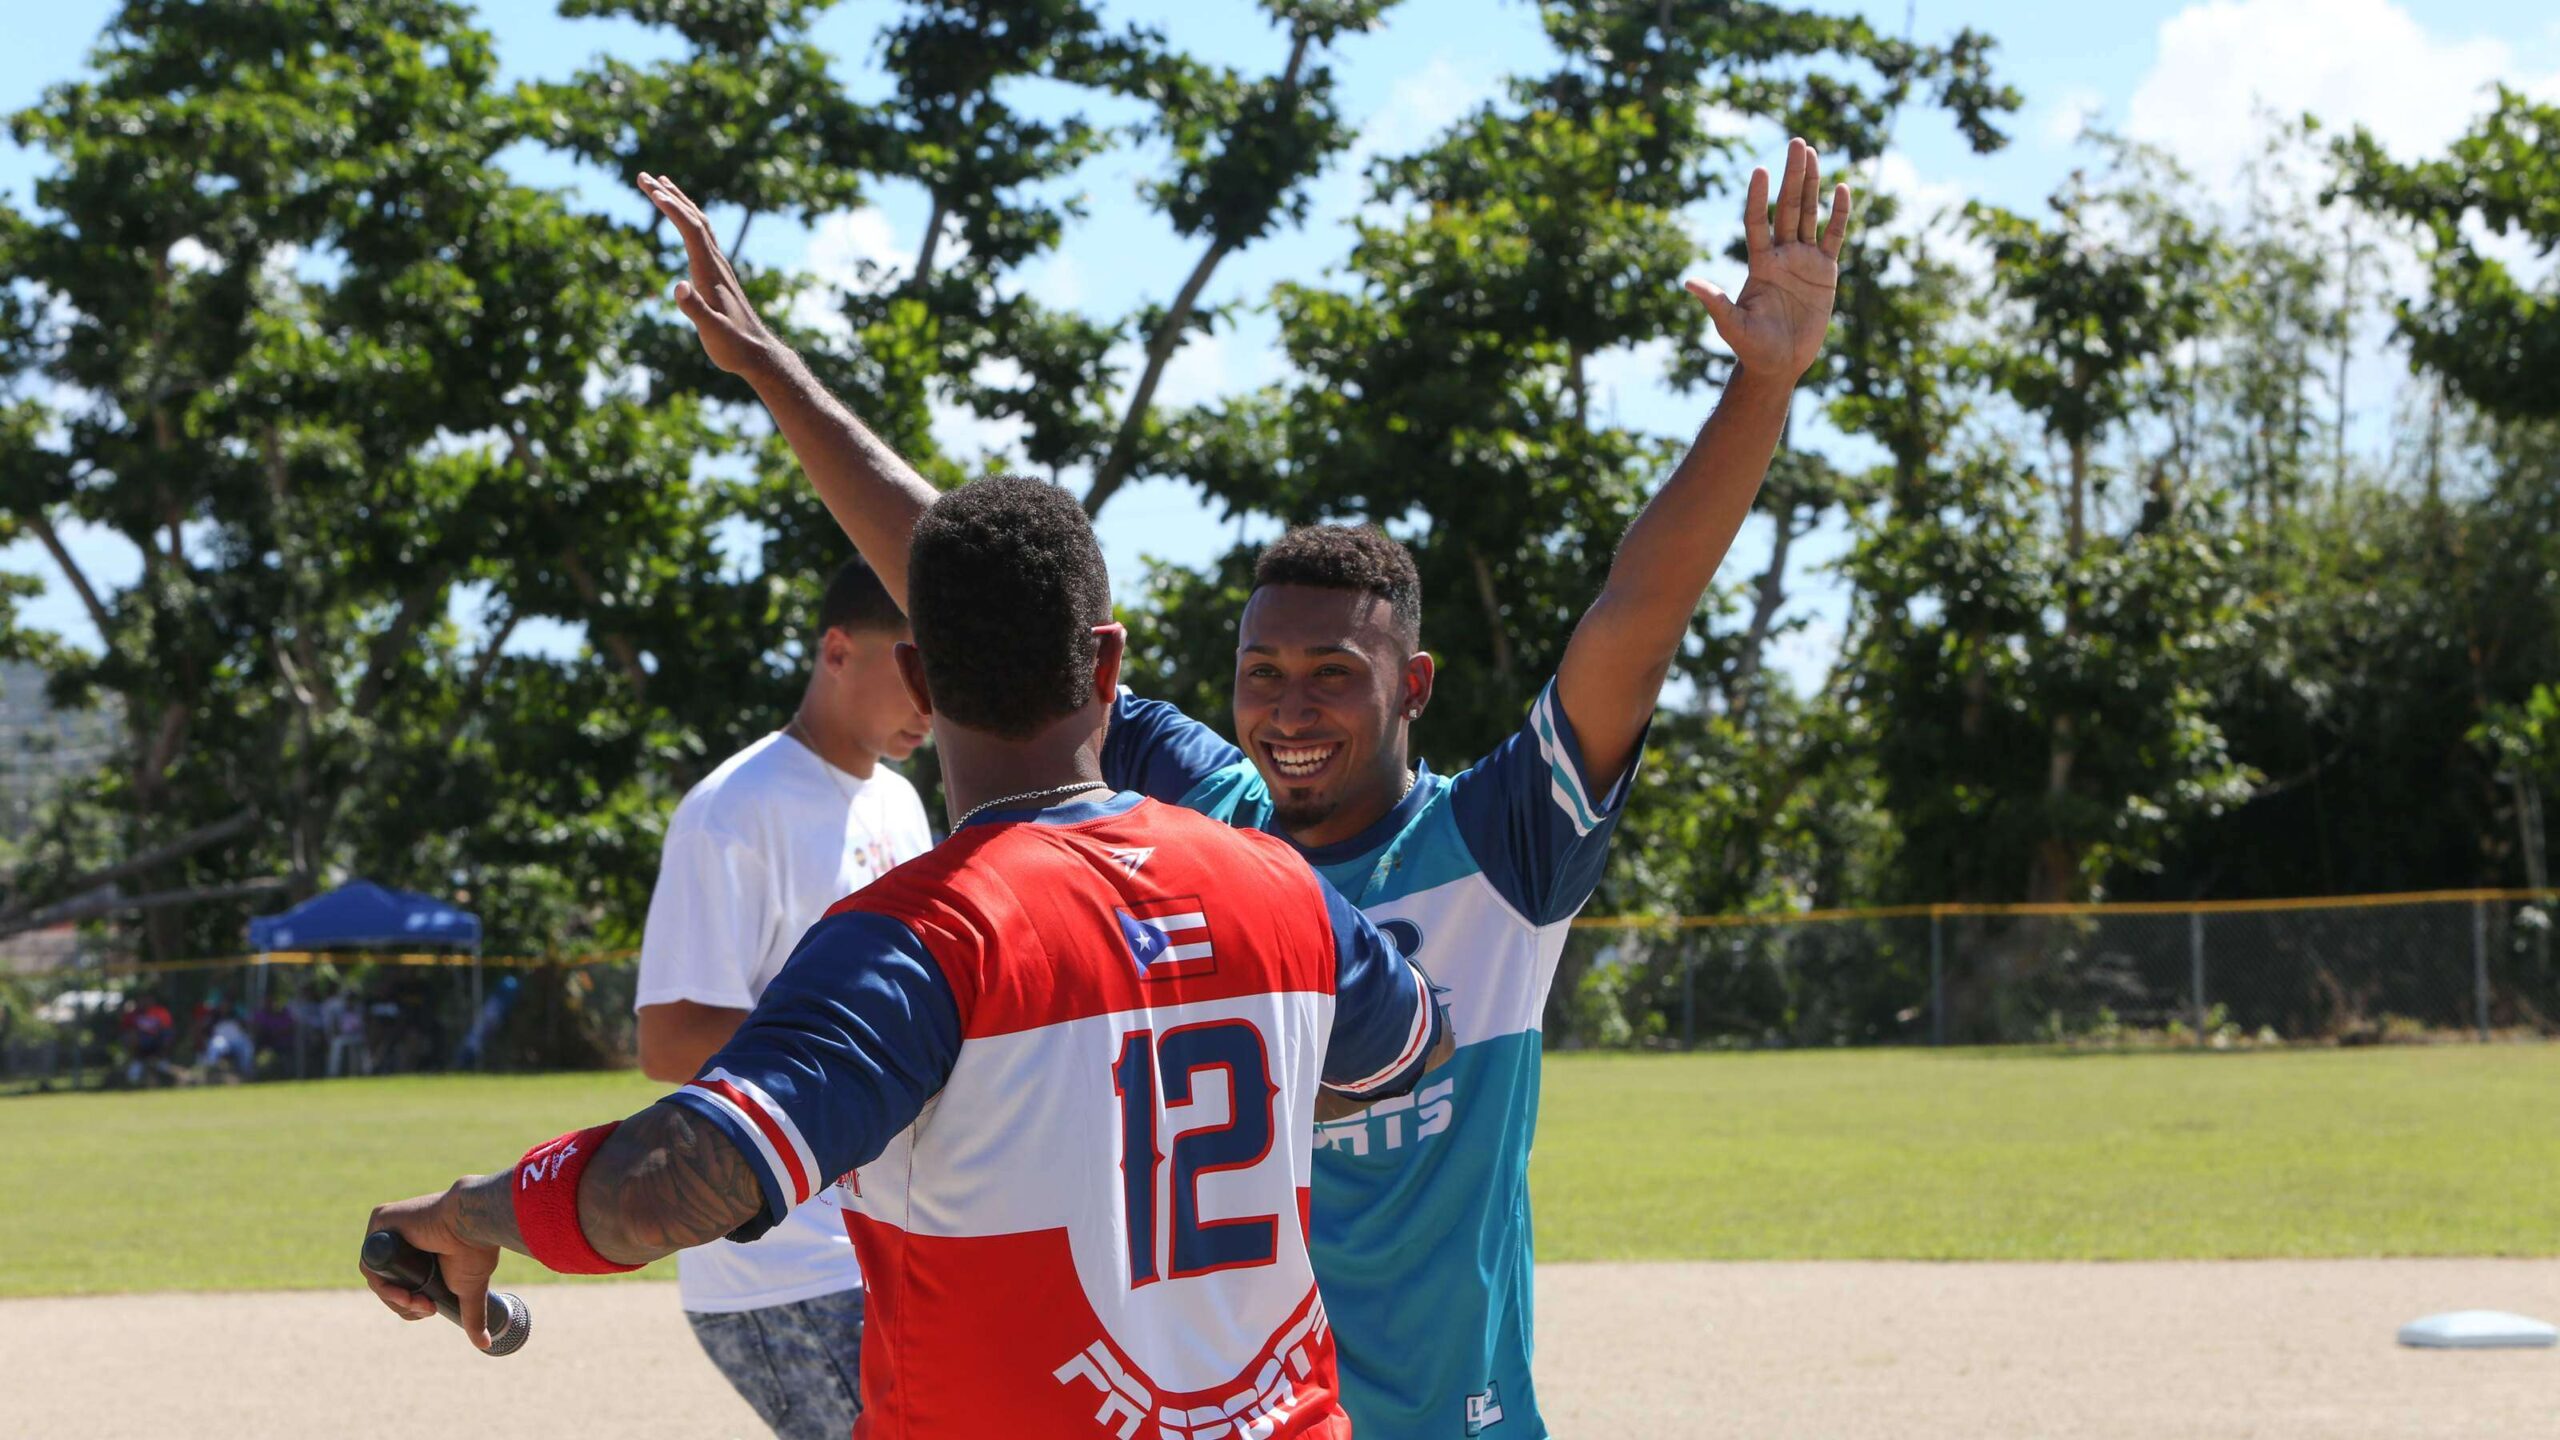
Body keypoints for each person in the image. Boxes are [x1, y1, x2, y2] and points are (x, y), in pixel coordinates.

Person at [638, 137, 1850, 1437]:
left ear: (1415, 687)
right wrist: (774, 372)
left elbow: (1635, 611)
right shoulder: (1209, 812)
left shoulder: (1498, 847)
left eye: (1334, 673)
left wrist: (1759, 390)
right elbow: (972, 581)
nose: (1288, 706)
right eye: (1261, 670)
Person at [362, 477, 1451, 1438]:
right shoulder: (1282, 886)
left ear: (920, 681)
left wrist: (469, 1212)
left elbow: (664, 1190)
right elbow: (1407, 1046)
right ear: (1108, 661)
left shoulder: (918, 935)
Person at [633, 555, 934, 1440]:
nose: (933, 696)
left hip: (887, 1238)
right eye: (913, 663)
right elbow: (672, 1034)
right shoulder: (735, 808)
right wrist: (872, 1058)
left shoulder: (902, 802)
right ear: (837, 650)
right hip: (783, 1255)